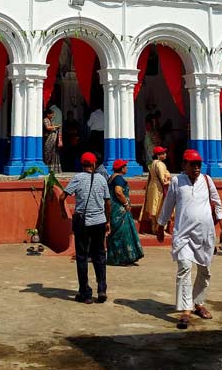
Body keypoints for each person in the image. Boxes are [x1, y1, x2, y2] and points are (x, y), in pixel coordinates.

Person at [157, 149, 222, 329]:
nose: (196, 168)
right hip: (183, 235)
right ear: (184, 165)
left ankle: (198, 303)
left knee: (204, 271)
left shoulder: (207, 180)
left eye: (199, 164)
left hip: (205, 235)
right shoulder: (176, 182)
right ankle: (185, 310)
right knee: (184, 267)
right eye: (193, 164)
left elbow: (217, 203)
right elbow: (168, 204)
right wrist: (161, 225)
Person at [60, 152, 111, 304]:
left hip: (82, 221)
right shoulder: (102, 179)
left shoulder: (77, 178)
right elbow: (108, 202)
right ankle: (101, 289)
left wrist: (64, 213)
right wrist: (108, 220)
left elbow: (62, 197)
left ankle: (85, 293)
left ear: (82, 165)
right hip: (99, 221)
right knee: (99, 255)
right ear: (94, 164)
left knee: (82, 256)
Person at [106, 160, 144, 266]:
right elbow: (118, 192)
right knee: (121, 233)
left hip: (113, 209)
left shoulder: (111, 177)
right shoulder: (118, 179)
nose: (127, 168)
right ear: (121, 168)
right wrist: (126, 203)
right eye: (125, 166)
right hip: (119, 210)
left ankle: (115, 257)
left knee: (115, 233)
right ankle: (121, 257)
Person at [139, 145, 171, 233]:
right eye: (163, 153)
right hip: (159, 188)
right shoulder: (160, 164)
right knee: (160, 208)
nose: (165, 155)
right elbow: (163, 180)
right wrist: (171, 182)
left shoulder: (152, 164)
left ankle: (154, 228)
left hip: (152, 187)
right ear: (158, 155)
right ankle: (160, 229)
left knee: (154, 208)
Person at [42, 107, 63, 174]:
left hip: (52, 140)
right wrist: (56, 127)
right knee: (47, 153)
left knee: (54, 154)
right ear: (48, 114)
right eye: (52, 114)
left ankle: (53, 169)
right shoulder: (45, 120)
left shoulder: (50, 120)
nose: (52, 116)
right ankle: (46, 167)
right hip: (48, 140)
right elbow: (47, 127)